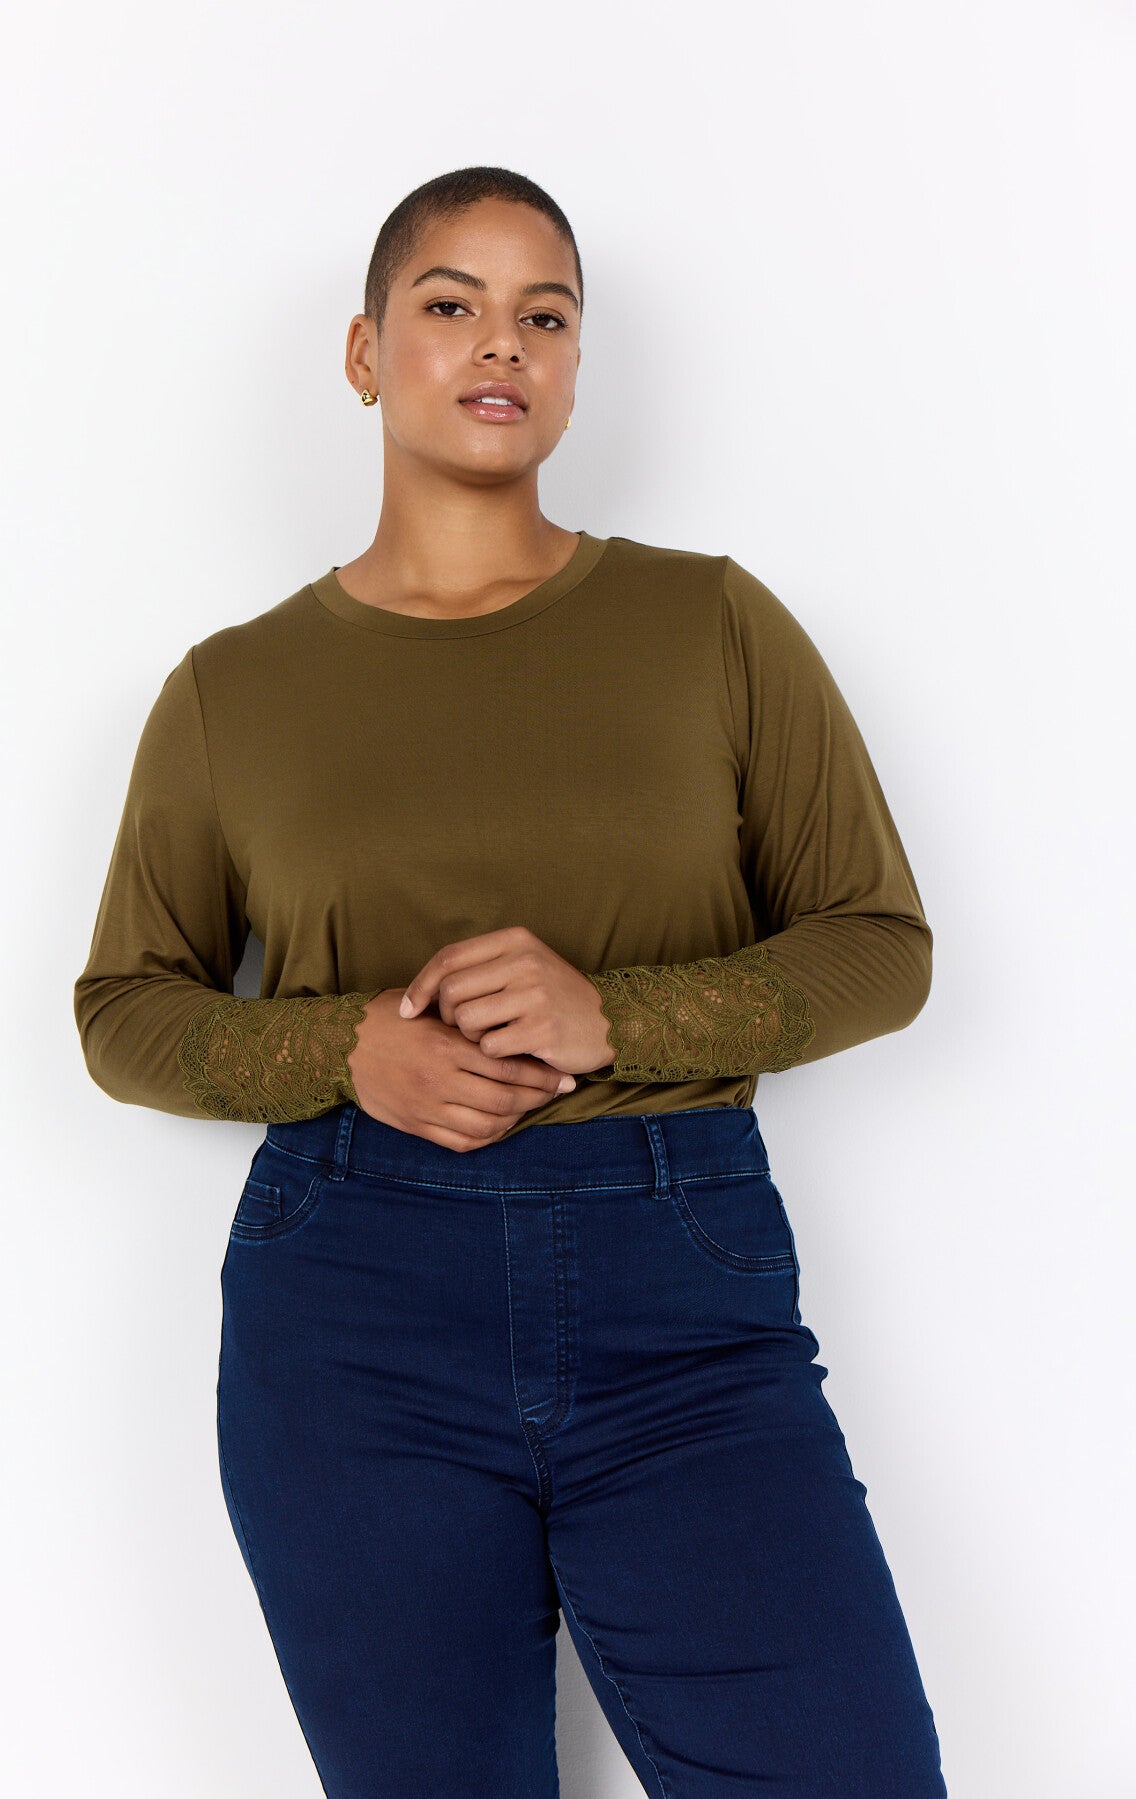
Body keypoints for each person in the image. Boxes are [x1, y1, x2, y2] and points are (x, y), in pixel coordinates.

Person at [73, 165, 947, 1797]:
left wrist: (618, 1015)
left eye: (546, 315)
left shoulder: (711, 624)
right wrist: (349, 1050)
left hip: (680, 1293)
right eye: (451, 304)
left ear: (575, 364)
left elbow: (877, 941)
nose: (503, 343)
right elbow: (125, 1009)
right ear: (364, 352)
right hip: (355, 1314)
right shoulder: (233, 689)